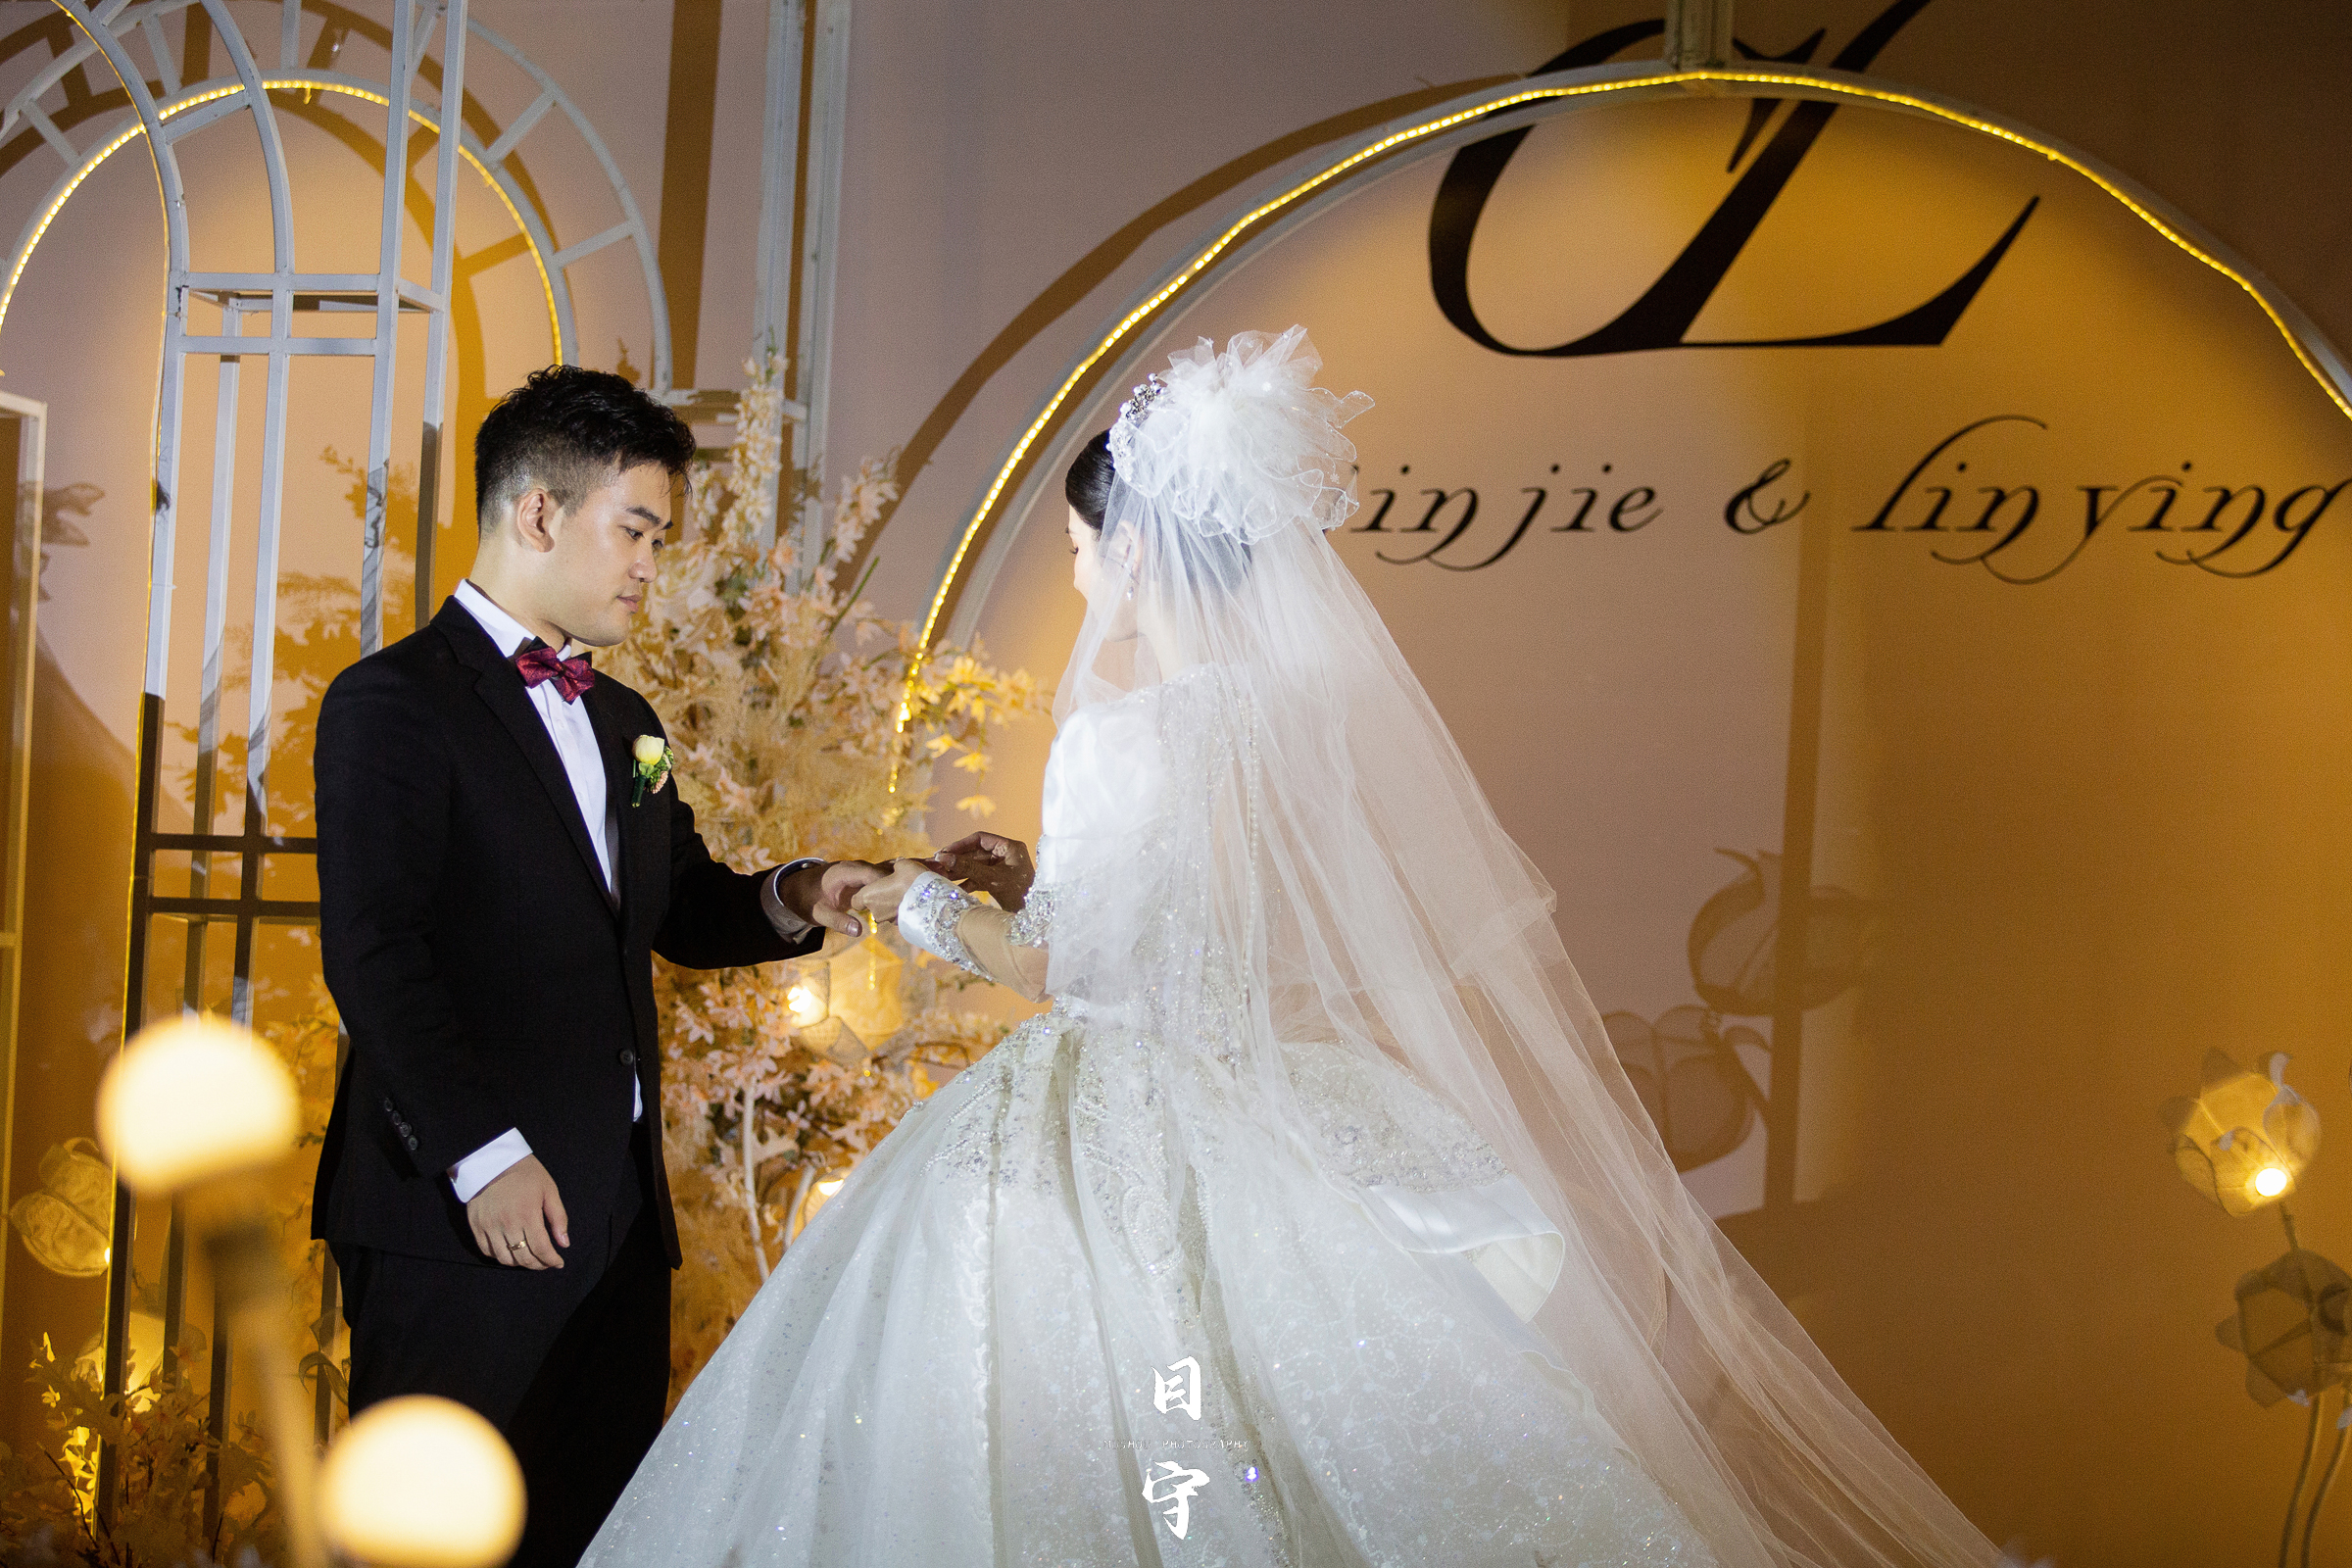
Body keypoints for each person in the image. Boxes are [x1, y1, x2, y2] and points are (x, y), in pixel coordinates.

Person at [579, 329, 2003, 1566]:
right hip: (1264, 1111)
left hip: (1117, 1119)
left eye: (1078, 552)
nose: (1081, 580)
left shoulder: (1126, 730)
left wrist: (913, 900)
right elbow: (1202, 923)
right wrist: (1036, 878)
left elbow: (1060, 970)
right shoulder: (1297, 723)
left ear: (1135, 547)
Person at [311, 367, 890, 1568]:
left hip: (617, 1223)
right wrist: (484, 1157)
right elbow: (375, 952)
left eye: (658, 540)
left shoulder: (627, 720)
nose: (648, 566)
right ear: (538, 512)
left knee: (594, 1541)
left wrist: (804, 893)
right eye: (635, 530)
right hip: (460, 1218)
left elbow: (683, 907)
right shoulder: (391, 702)